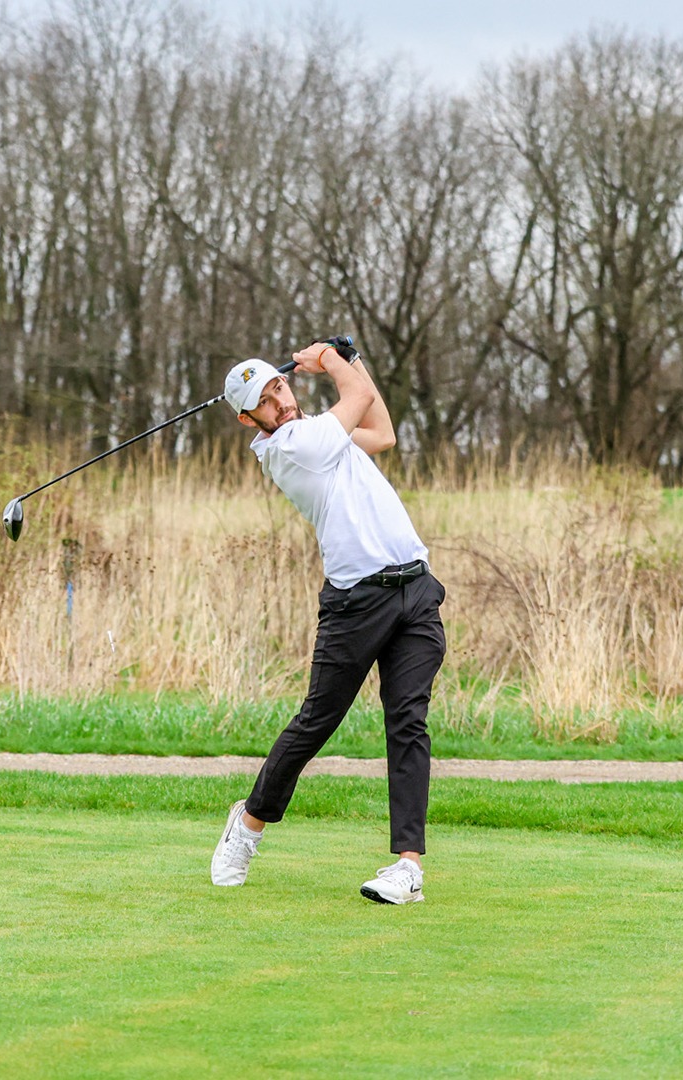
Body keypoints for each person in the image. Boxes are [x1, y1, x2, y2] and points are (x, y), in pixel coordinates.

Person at [209, 338, 447, 904]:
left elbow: (382, 431)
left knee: (407, 721)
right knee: (317, 720)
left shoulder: (321, 431)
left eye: (280, 385)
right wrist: (336, 363)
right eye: (266, 401)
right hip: (354, 605)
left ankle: (407, 868)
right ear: (250, 420)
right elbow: (358, 396)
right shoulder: (290, 447)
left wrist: (353, 358)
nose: (281, 401)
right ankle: (249, 824)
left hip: (414, 588)